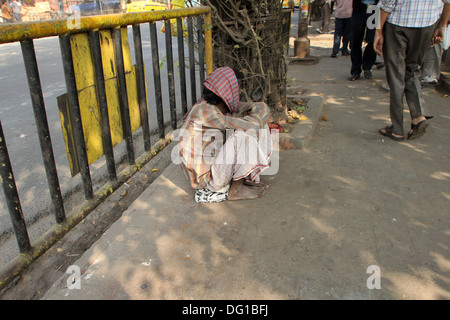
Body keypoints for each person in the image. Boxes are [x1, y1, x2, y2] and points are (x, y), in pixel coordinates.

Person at [176, 67, 273, 203]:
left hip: (216, 167)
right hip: (206, 181)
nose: (238, 92)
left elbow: (262, 107)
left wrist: (257, 118)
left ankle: (246, 178)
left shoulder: (219, 107)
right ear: (226, 92)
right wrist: (256, 119)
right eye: (237, 87)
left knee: (259, 126)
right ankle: (235, 190)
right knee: (242, 136)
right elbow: (251, 126)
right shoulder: (205, 112)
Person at [374, 0, 450, 141]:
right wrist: (442, 26)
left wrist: (378, 32)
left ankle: (397, 129)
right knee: (413, 70)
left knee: (396, 75)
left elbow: (386, 5)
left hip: (398, 24)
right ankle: (418, 116)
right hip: (427, 24)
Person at [349, 0, 379, 80]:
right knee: (356, 39)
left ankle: (367, 67)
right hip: (359, 8)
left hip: (374, 9)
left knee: (372, 39)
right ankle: (355, 70)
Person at [421, 3, 447, 84]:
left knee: (434, 42)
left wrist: (442, 25)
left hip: (435, 12)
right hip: (417, 13)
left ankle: (430, 74)